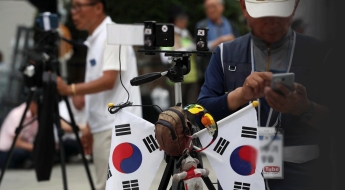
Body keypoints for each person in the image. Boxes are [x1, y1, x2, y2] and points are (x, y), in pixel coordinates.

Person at [197, 0, 332, 189]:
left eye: (279, 14)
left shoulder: (320, 54)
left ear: (294, 7)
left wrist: (304, 108)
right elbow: (200, 114)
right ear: (244, 7)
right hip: (239, 173)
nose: (271, 23)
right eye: (263, 15)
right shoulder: (224, 54)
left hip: (303, 175)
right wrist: (240, 95)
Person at [56, 0, 142, 189]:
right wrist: (89, 125)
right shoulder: (97, 37)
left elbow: (108, 80)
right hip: (105, 126)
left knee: (111, 186)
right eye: (72, 7)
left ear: (98, 7)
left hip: (116, 128)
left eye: (79, 6)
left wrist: (69, 89)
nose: (74, 13)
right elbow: (102, 90)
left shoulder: (113, 34)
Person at [160, 6, 199, 106]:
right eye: (182, 17)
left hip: (192, 78)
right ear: (174, 19)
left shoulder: (186, 33)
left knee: (192, 112)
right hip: (176, 79)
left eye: (186, 17)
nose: (185, 20)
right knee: (177, 112)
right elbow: (164, 58)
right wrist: (187, 49)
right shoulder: (167, 35)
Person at [195, 0, 238, 90]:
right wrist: (219, 41)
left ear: (222, 7)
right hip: (208, 72)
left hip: (230, 71)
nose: (211, 10)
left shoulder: (230, 24)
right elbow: (199, 48)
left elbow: (239, 45)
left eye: (213, 6)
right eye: (207, 8)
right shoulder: (201, 25)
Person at [0, 99, 38, 169]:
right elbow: (17, 143)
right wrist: (37, 148)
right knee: (21, 153)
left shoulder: (36, 116)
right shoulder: (17, 114)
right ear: (33, 103)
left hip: (25, 148)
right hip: (6, 152)